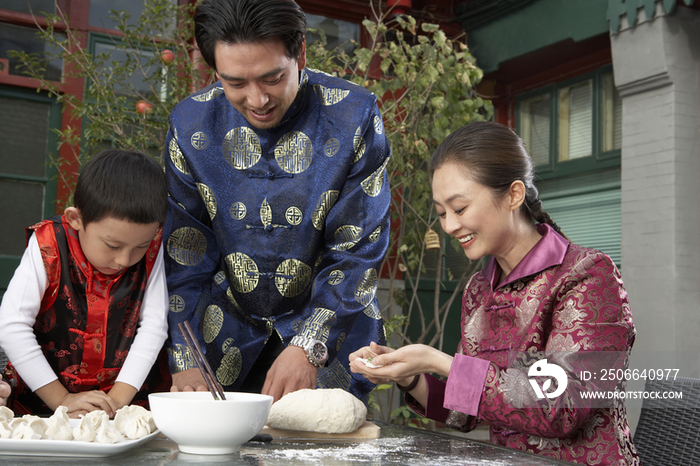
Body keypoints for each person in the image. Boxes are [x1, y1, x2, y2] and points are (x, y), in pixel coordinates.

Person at [349, 121, 639, 465]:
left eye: (459, 209)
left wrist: (440, 361)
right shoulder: (479, 290)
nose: (449, 226)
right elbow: (467, 410)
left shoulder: (586, 275)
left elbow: (561, 407)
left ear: (514, 195)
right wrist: (411, 377)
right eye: (442, 213)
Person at [163, 0, 390, 402]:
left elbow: (358, 250)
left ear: (300, 53)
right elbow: (185, 255)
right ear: (215, 71)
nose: (257, 99)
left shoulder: (355, 116)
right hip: (220, 335)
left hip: (330, 336)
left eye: (272, 78)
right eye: (235, 83)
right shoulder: (189, 125)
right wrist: (184, 356)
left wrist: (309, 343)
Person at [0, 150, 171, 418]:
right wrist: (62, 399)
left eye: (140, 245)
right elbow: (12, 324)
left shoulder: (153, 247)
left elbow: (154, 326)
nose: (124, 259)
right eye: (113, 245)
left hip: (123, 402)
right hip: (41, 402)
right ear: (75, 219)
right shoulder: (49, 244)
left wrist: (115, 403)